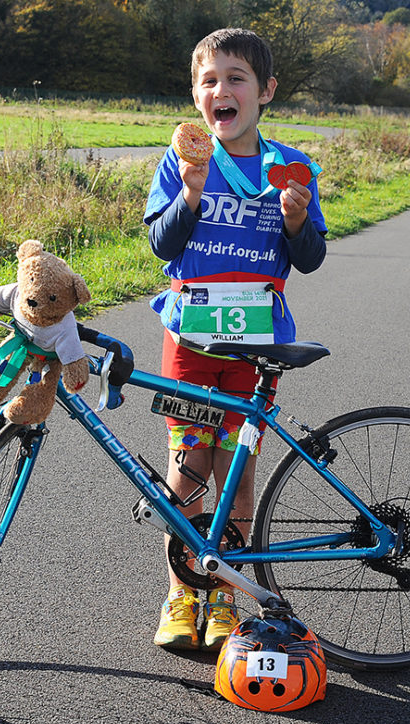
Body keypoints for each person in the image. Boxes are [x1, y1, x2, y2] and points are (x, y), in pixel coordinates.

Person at [143, 27, 327, 651]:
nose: (222, 90)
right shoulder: (181, 160)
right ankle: (181, 589)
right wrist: (192, 194)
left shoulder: (288, 168)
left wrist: (297, 219)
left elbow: (310, 258)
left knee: (237, 469)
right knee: (187, 460)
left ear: (266, 91)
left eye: (237, 78)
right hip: (190, 338)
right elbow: (162, 244)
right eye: (209, 80)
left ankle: (225, 593)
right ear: (196, 96)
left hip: (257, 342)